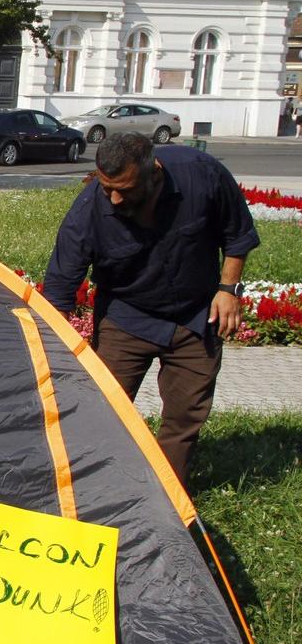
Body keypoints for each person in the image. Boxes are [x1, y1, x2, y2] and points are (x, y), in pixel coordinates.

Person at [41, 132, 259, 485]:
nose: (113, 198)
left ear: (153, 172)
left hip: (195, 316)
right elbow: (59, 288)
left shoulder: (202, 175)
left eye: (124, 190)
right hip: (126, 318)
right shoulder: (90, 210)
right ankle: (96, 488)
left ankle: (166, 499)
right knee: (103, 410)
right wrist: (55, 353)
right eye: (105, 186)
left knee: (185, 416)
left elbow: (237, 234)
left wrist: (228, 289)